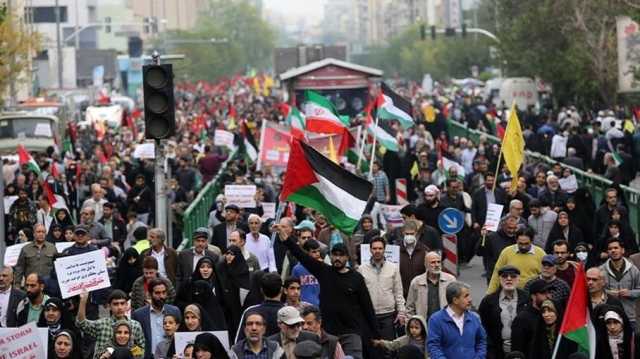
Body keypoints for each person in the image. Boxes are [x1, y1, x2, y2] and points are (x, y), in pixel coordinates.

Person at [278, 225, 380, 359]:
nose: (337, 258)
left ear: (347, 257)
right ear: (330, 256)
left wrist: (376, 334)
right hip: (328, 334)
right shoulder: (324, 271)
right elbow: (302, 256)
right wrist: (286, 239)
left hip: (351, 333)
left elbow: (367, 307)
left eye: (341, 255)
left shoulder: (356, 278)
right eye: (334, 255)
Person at [358, 236, 406, 343]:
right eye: (374, 248)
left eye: (380, 248)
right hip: (369, 315)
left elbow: (398, 292)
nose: (377, 251)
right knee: (371, 348)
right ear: (370, 250)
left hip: (388, 315)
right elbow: (359, 294)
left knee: (388, 348)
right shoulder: (362, 269)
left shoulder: (393, 268)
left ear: (384, 249)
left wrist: (401, 312)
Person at [76, 289, 145, 359]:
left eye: (122, 303)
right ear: (109, 306)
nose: (119, 307)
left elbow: (142, 350)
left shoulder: (135, 325)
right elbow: (81, 324)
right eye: (116, 304)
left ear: (127, 305)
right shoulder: (102, 324)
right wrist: (83, 301)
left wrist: (128, 349)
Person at [478, 265, 528, 359]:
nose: (509, 279)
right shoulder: (488, 301)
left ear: (518, 279)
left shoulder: (526, 299)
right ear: (499, 279)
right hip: (497, 352)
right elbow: (483, 328)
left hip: (522, 352)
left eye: (513, 276)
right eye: (505, 276)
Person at [426, 281, 487, 358]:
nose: (470, 299)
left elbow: (481, 341)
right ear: (455, 300)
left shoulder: (474, 318)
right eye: (466, 296)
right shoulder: (436, 320)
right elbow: (433, 347)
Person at [131, 278, 181, 359]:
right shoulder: (139, 314)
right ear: (149, 294)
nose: (161, 296)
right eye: (157, 293)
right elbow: (134, 341)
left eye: (164, 292)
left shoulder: (174, 311)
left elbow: (180, 336)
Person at [487, 227, 546, 294]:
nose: (523, 247)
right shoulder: (507, 252)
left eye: (526, 244)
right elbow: (496, 274)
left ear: (532, 241)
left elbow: (546, 276)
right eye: (520, 244)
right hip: (510, 294)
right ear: (516, 240)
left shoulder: (540, 254)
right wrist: (489, 294)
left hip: (532, 295)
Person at [599, 237, 640, 331]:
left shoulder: (633, 270)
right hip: (609, 317)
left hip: (630, 316)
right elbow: (596, 291)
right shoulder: (601, 270)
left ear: (622, 250)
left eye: (616, 248)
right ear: (607, 252)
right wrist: (608, 293)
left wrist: (629, 292)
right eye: (610, 249)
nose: (613, 250)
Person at [406, 251, 456, 321]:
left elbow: (457, 303)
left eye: (438, 262)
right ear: (425, 265)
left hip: (445, 323)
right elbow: (410, 307)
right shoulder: (417, 282)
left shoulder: (450, 280)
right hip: (425, 324)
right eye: (433, 262)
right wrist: (411, 324)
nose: (437, 265)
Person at [235, 272, 284, 342]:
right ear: (281, 290)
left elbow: (238, 342)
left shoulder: (250, 312)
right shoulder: (290, 311)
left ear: (261, 290)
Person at [217, 245, 252, 337]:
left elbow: (244, 287)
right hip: (223, 307)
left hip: (237, 307)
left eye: (232, 254)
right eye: (227, 253)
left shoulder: (242, 269)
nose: (229, 256)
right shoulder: (221, 268)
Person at [510, 279, 551, 356]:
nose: (548, 296)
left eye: (549, 292)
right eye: (543, 293)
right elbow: (517, 351)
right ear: (533, 296)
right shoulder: (522, 319)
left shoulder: (553, 315)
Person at [399, 220, 428, 298]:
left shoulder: (424, 250)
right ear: (402, 233)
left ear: (416, 233)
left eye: (412, 234)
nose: (409, 236)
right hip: (401, 293)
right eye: (407, 234)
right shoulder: (396, 250)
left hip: (420, 293)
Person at [291, 240, 322, 307]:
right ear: (306, 252)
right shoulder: (297, 269)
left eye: (318, 251)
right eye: (314, 252)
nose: (317, 254)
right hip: (303, 306)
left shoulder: (322, 267)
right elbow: (293, 289)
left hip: (320, 305)